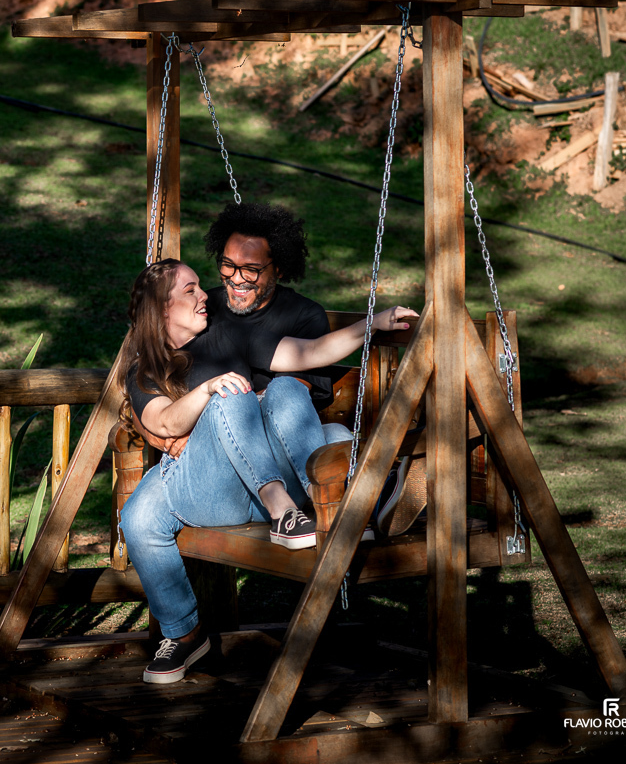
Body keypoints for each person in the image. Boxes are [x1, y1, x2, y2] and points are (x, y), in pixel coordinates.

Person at [117, 259, 416, 684]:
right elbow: (164, 423)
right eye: (190, 290)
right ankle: (352, 491)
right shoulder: (145, 368)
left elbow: (308, 352)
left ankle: (346, 498)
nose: (205, 296)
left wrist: (372, 323)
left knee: (287, 389)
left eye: (200, 286)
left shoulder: (228, 332)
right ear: (162, 309)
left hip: (259, 478)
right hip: (208, 491)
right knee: (230, 398)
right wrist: (209, 390)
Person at [203, 201, 349, 510]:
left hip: (278, 455)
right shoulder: (205, 309)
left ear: (279, 268)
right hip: (217, 451)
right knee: (335, 436)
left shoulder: (304, 315)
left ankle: (355, 506)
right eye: (227, 264)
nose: (236, 278)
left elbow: (290, 399)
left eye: (251, 269)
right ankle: (370, 496)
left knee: (327, 427)